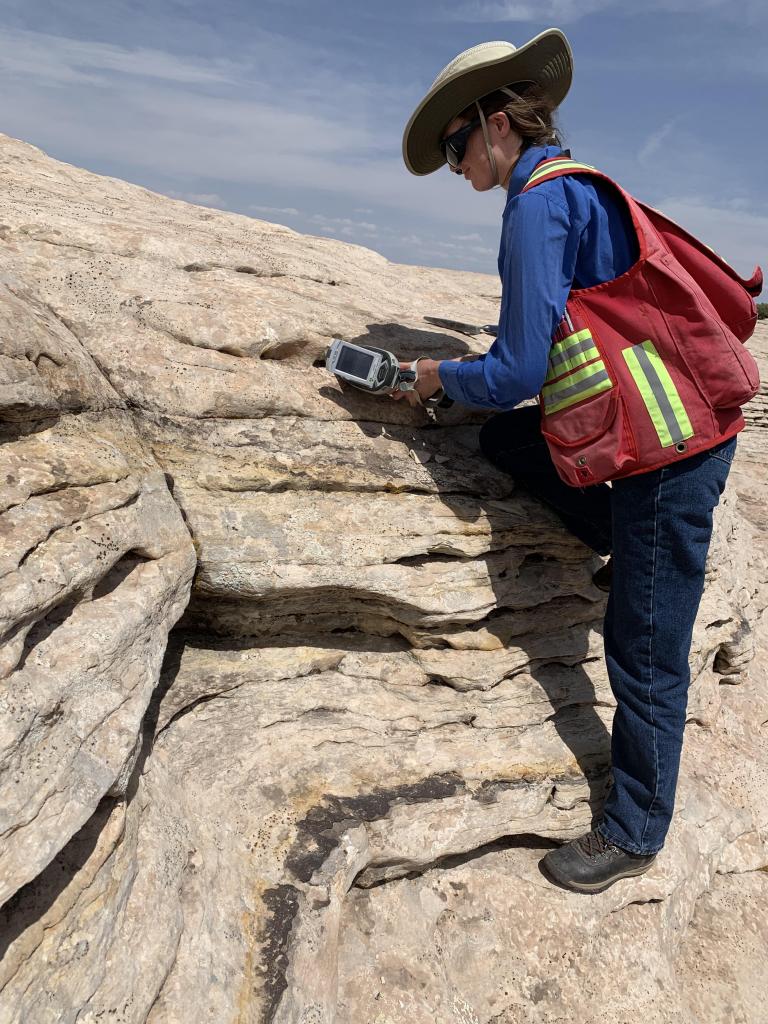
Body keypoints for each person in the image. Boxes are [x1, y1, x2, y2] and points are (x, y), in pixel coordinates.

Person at [397, 30, 745, 894]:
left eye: (454, 146)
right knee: (506, 437)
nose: (454, 167)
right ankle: (631, 551)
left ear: (493, 123)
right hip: (660, 437)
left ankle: (634, 830)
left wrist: (440, 375)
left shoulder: (537, 205)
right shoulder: (571, 187)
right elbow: (541, 344)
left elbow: (515, 369)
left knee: (643, 648)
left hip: (675, 454)